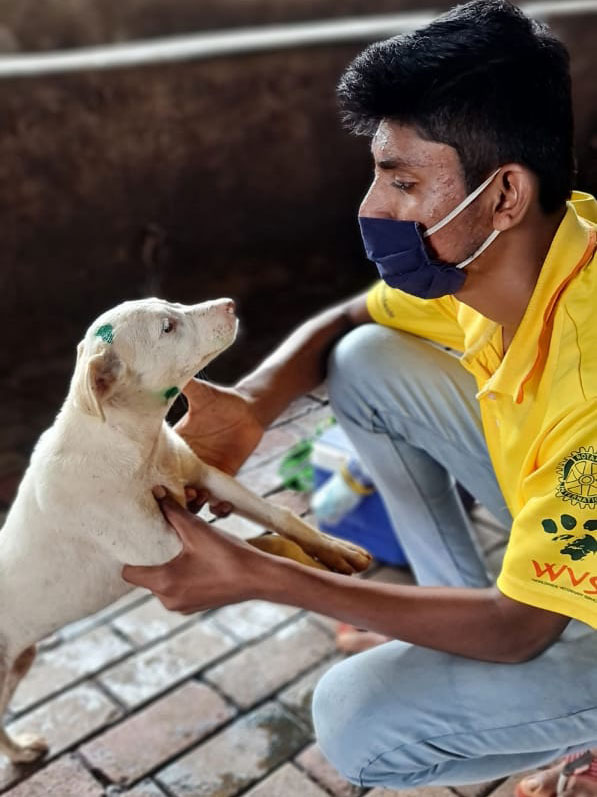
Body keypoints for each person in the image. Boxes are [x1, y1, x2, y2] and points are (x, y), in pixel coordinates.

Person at [122, 1, 597, 793]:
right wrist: (252, 402)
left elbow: (520, 630)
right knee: (366, 358)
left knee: (357, 718)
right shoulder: (535, 250)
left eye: (404, 181)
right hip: (563, 518)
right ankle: (451, 615)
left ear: (503, 194)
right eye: (377, 173)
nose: (372, 209)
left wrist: (259, 573)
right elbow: (350, 316)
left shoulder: (584, 383)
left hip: (542, 601)